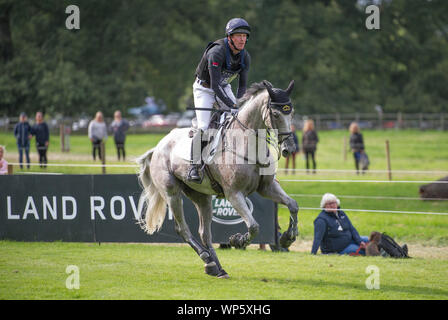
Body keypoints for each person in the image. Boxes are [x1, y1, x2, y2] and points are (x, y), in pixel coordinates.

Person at [188, 17, 252, 182]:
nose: (242, 39)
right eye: (238, 35)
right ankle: (194, 166)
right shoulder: (216, 52)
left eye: (245, 36)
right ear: (229, 37)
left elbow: (242, 87)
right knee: (203, 127)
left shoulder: (245, 57)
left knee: (239, 119)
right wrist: (231, 105)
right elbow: (214, 86)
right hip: (205, 89)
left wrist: (238, 104)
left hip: (224, 87)